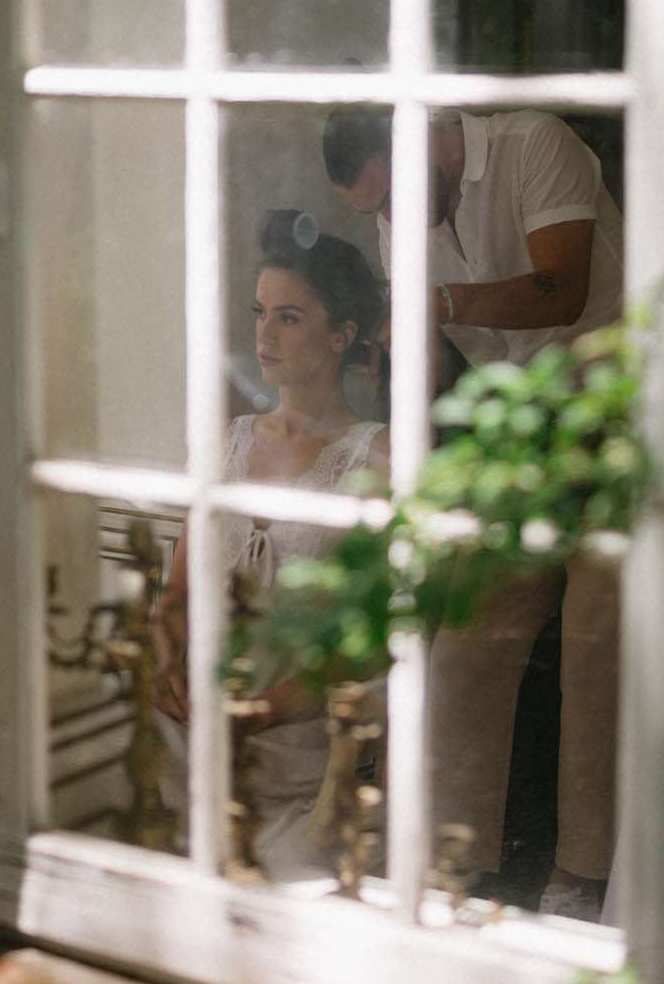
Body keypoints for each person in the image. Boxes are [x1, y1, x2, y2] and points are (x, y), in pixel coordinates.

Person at [323, 103, 624, 921]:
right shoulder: (402, 213)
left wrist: (441, 300)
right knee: (465, 629)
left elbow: (562, 288)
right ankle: (447, 862)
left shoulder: (533, 144)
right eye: (377, 208)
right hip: (523, 428)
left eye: (392, 196)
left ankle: (582, 877)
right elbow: (426, 348)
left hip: (625, 409)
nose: (391, 216)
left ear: (423, 133)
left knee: (596, 636)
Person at [153, 211, 389, 881]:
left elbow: (369, 642)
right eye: (260, 313)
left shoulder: (375, 458)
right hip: (193, 732)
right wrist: (166, 662)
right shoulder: (227, 439)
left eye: (289, 317)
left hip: (304, 754)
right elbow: (177, 592)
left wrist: (262, 711)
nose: (264, 333)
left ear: (341, 335)